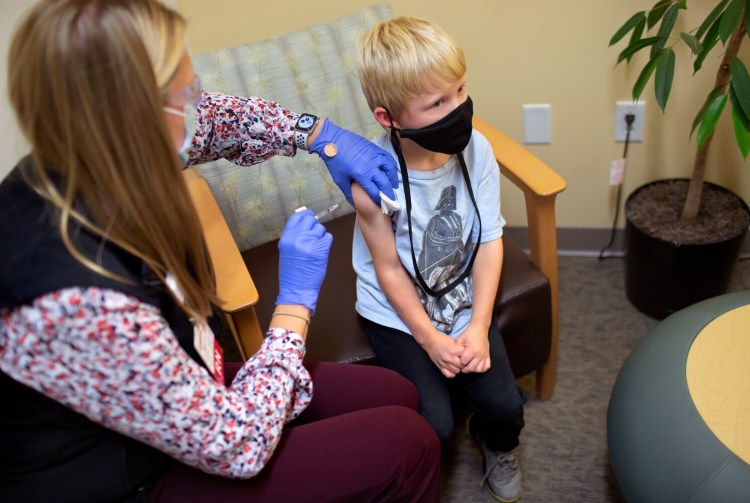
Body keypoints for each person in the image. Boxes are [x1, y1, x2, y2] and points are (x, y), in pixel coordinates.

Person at [0, 1, 441, 501]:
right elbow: (240, 444)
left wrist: (318, 135)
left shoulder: (100, 153)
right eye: (184, 94)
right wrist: (295, 304)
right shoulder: (77, 298)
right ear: (129, 115)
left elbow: (215, 123)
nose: (199, 106)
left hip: (175, 382)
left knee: (397, 393)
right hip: (132, 476)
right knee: (411, 443)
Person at [351, 17, 526, 502]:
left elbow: (491, 238)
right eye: (437, 103)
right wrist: (429, 340)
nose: (459, 108)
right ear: (388, 118)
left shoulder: (477, 150)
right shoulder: (373, 180)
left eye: (460, 90)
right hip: (398, 313)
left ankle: (497, 445)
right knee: (435, 423)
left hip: (462, 296)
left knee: (506, 408)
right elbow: (387, 269)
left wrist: (478, 325)